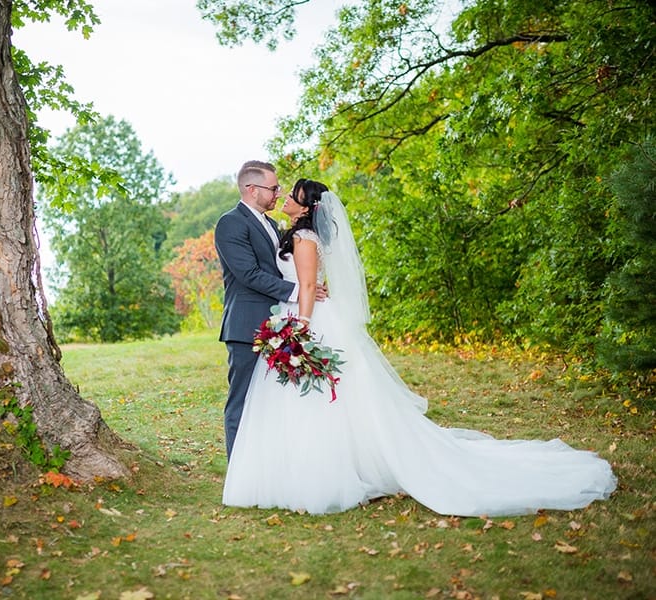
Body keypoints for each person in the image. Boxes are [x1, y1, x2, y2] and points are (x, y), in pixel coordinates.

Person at [222, 178, 617, 516]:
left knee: (323, 399)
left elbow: (308, 286)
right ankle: (298, 468)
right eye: (279, 190)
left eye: (290, 193)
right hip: (298, 315)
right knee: (314, 398)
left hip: (309, 319)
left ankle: (326, 471)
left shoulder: (304, 238)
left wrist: (302, 327)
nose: (283, 196)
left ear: (307, 206)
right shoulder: (287, 230)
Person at [214, 161, 298, 459]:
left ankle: (267, 464)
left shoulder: (272, 225)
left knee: (274, 398)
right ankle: (238, 468)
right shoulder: (231, 223)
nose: (278, 193)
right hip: (246, 326)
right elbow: (248, 274)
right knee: (242, 400)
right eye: (273, 188)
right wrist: (297, 292)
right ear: (252, 190)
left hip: (278, 325)